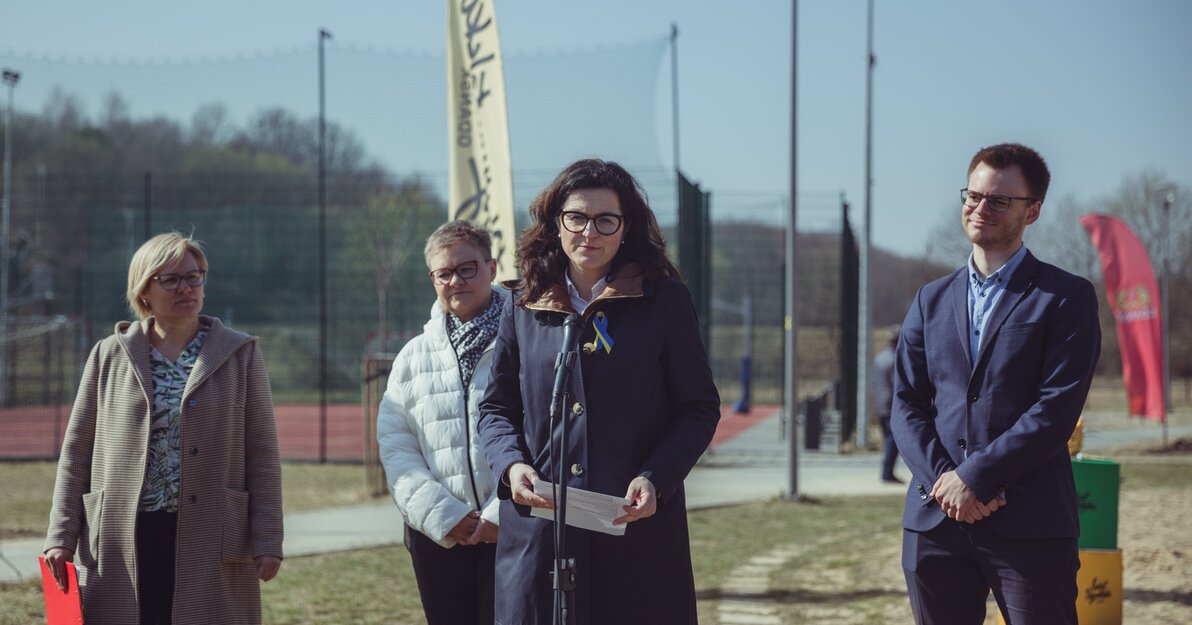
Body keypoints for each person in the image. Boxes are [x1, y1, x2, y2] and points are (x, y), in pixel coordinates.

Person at [477, 158, 721, 624]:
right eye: (577, 217)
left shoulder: (664, 300)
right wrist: (511, 465)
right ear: (556, 223)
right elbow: (496, 407)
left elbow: (698, 408)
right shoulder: (523, 302)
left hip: (632, 530)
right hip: (540, 533)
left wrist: (656, 477)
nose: (590, 232)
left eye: (605, 219)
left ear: (625, 228)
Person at [891, 143, 1101, 625]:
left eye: (1000, 200)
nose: (981, 208)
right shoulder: (930, 300)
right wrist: (945, 483)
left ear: (1034, 211)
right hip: (934, 523)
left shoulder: (1066, 297)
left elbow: (1056, 410)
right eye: (974, 195)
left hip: (1030, 523)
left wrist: (975, 478)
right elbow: (906, 403)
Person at [43, 232, 284, 625]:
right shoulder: (108, 354)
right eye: (169, 279)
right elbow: (76, 453)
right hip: (123, 536)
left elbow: (263, 454)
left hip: (211, 534)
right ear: (144, 292)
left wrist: (268, 538)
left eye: (194, 276)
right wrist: (61, 535)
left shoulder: (241, 354)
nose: (186, 287)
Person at [376, 220, 504, 624]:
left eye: (467, 269)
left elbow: (548, 436)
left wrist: (503, 516)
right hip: (439, 534)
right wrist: (443, 515)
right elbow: (396, 445)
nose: (455, 281)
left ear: (492, 268)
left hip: (510, 531)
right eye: (443, 273)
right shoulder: (412, 357)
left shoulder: (530, 339)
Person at [872, 328, 901, 483]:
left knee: (888, 439)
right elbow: (897, 384)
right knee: (892, 440)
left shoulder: (879, 358)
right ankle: (887, 472)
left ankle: (886, 471)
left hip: (880, 403)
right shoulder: (895, 359)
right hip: (891, 405)